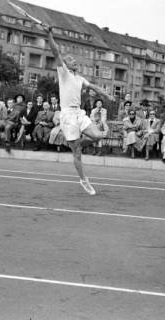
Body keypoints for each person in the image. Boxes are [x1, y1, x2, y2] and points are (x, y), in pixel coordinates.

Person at [43, 24, 115, 195]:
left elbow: (95, 87)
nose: (75, 62)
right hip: (67, 115)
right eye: (71, 61)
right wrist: (49, 35)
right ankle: (83, 180)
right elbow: (56, 52)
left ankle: (75, 144)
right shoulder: (64, 73)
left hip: (79, 113)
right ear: (66, 65)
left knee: (99, 136)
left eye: (74, 60)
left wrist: (107, 95)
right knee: (77, 153)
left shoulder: (80, 78)